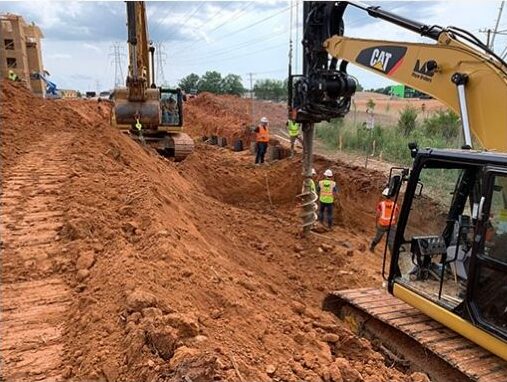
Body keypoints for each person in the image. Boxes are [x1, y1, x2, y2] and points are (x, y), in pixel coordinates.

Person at [369, 188, 400, 252]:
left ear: (385, 196)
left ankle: (372, 247)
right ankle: (393, 258)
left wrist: (376, 223)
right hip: (392, 225)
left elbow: (377, 215)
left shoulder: (381, 204)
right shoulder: (395, 205)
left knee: (377, 238)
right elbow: (397, 215)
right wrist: (395, 223)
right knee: (391, 242)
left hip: (382, 224)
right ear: (392, 196)